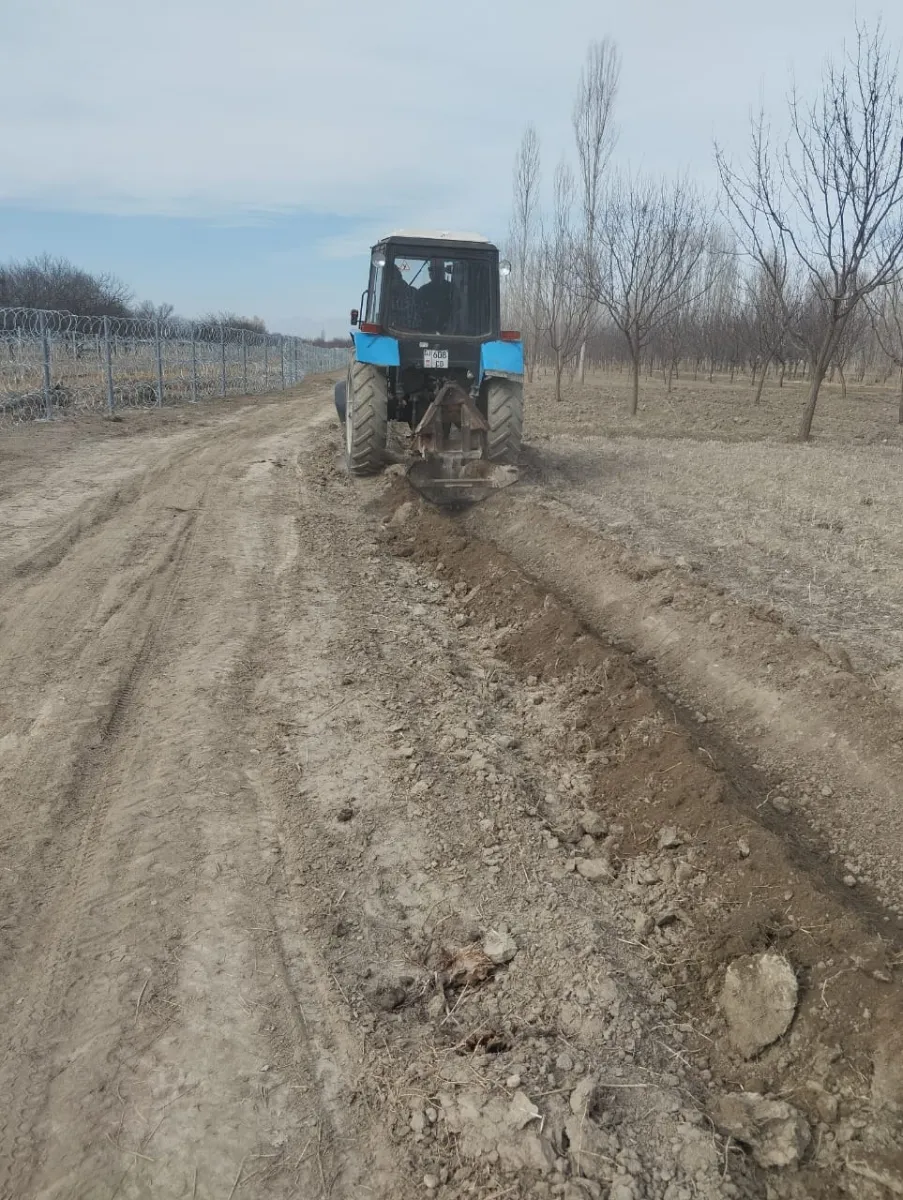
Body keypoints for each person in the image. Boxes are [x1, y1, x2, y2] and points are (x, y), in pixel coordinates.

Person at [416, 259, 454, 332]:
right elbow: (417, 310)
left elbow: (458, 308)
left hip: (449, 331)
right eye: (432, 270)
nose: (436, 273)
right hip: (425, 331)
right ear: (430, 273)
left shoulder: (452, 289)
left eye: (439, 270)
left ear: (443, 272)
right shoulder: (423, 290)